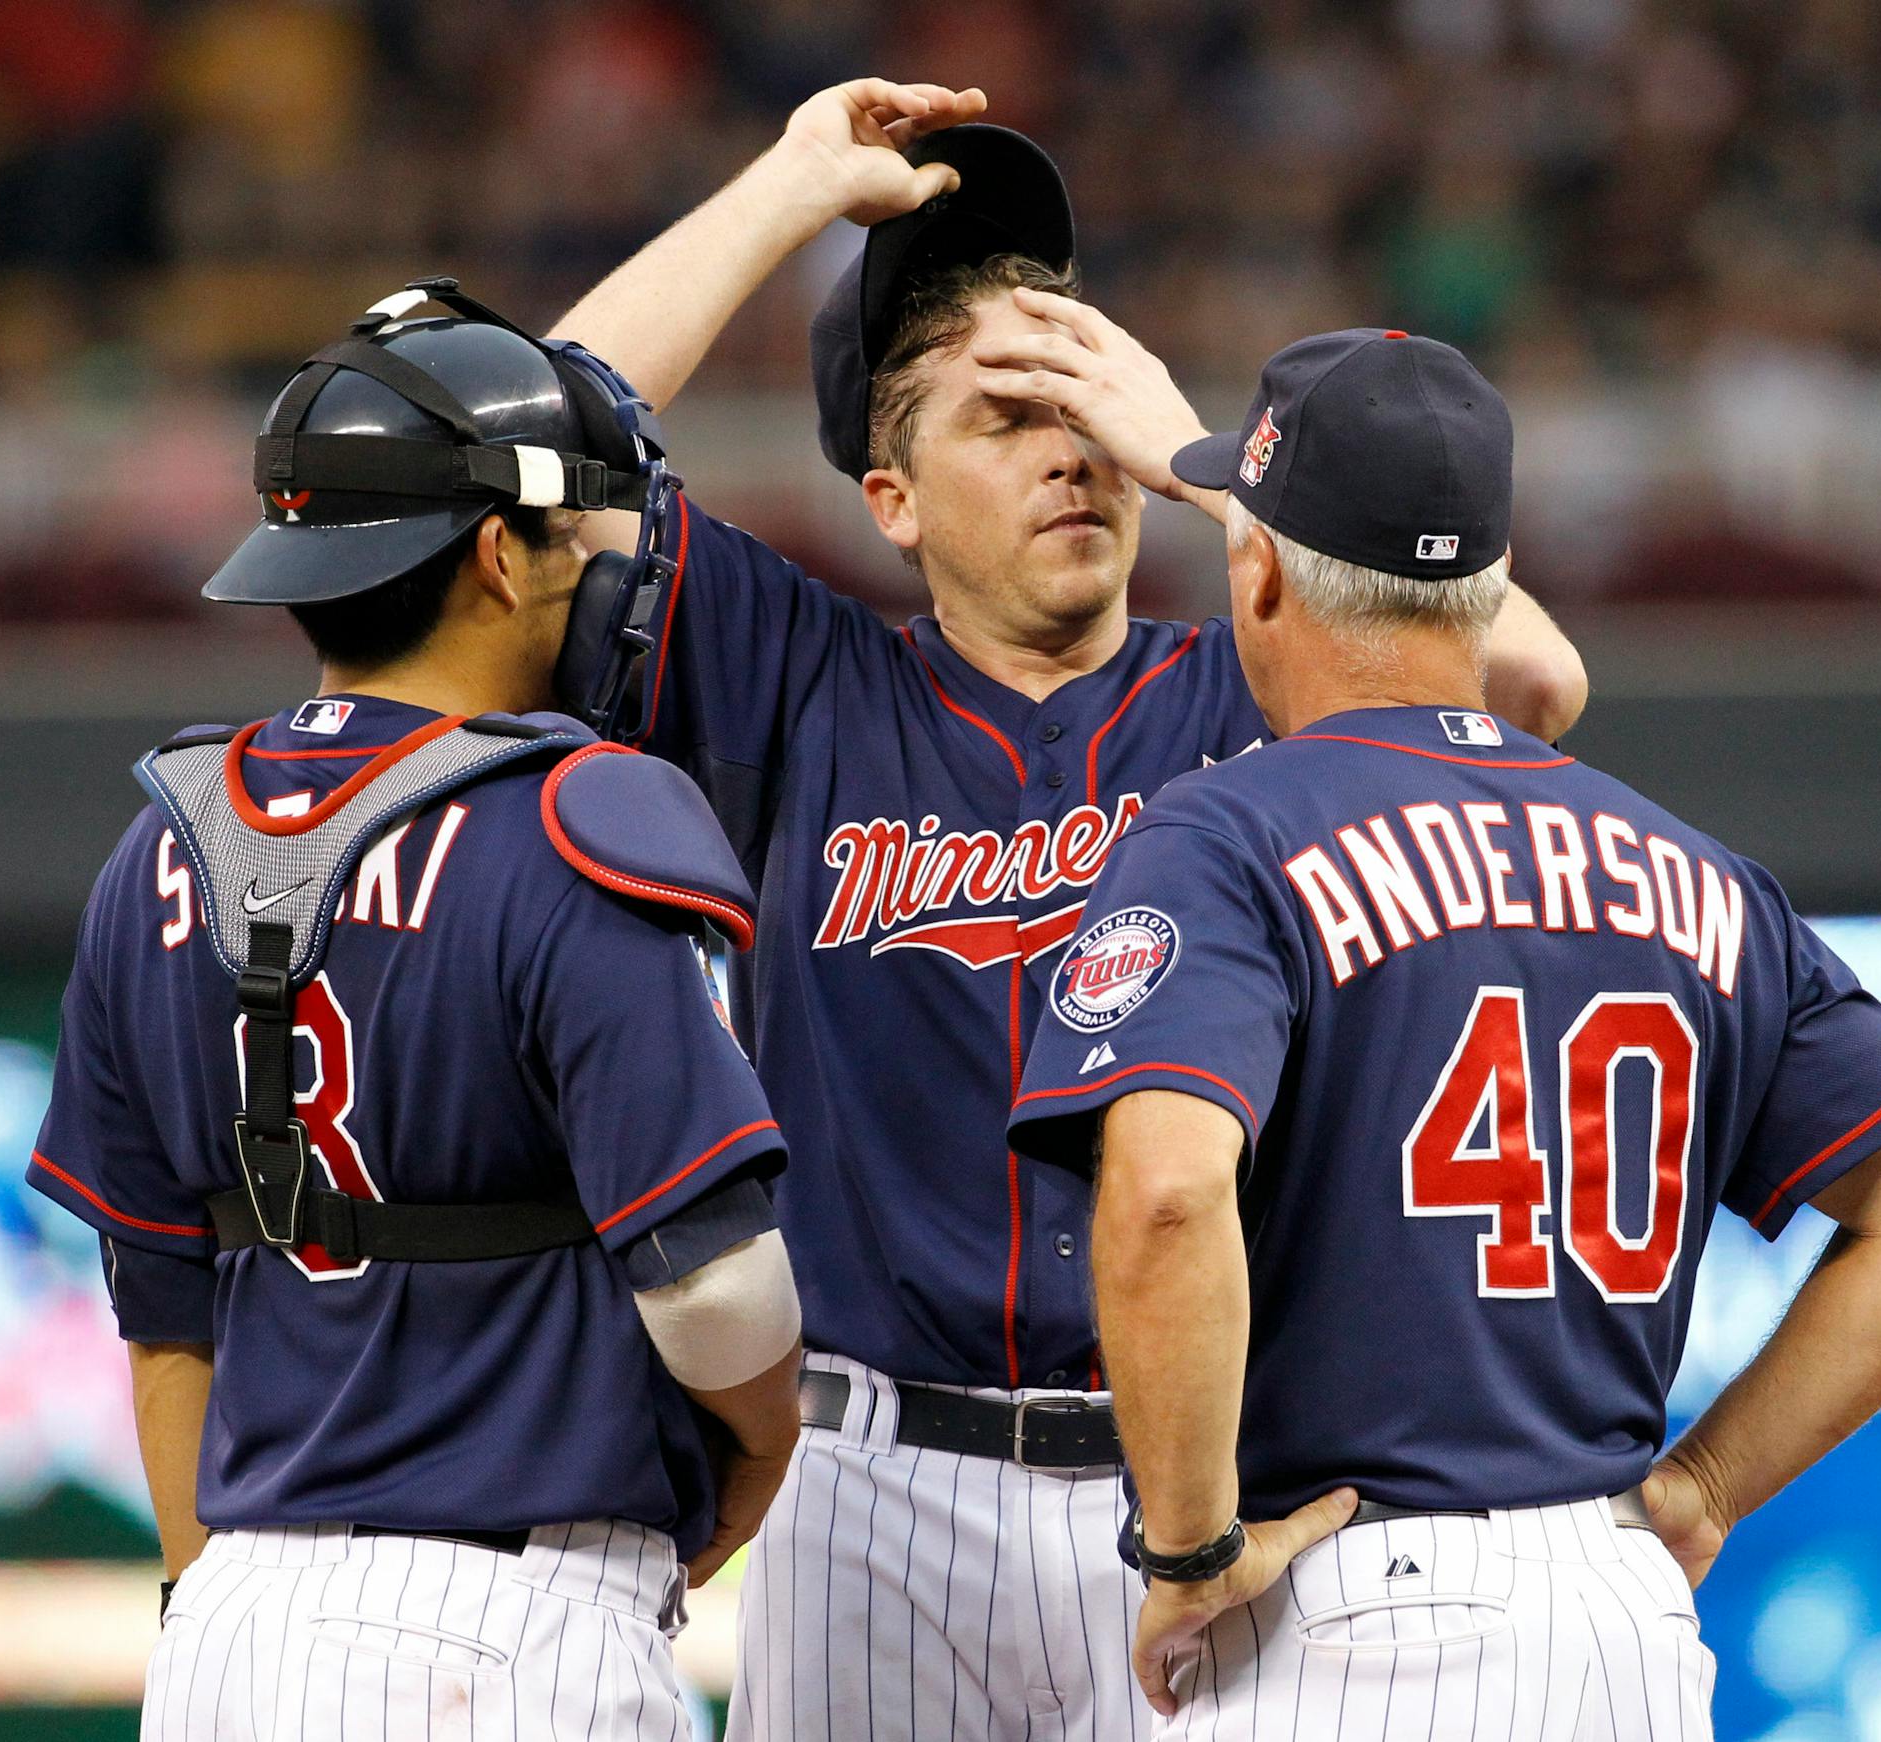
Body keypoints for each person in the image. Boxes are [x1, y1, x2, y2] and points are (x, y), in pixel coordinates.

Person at [550, 79, 1589, 1739]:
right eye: (1001, 417)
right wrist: (787, 188)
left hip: (1206, 1491)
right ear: (889, 499)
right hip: (873, 1488)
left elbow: (1528, 683)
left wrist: (1214, 465)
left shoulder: (1255, 691)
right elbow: (532, 456)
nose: (1068, 456)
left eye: (1079, 407)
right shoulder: (797, 679)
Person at [1008, 329, 1881, 1735]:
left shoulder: (1230, 830)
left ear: (1260, 570)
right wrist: (1706, 1485)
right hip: (1618, 1617)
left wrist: (1187, 1550)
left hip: (1351, 1612)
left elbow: (1169, 1196)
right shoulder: (1690, 863)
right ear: (1485, 590)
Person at [27, 284, 804, 1740]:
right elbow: (718, 1292)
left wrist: (216, 1600)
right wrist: (758, 1460)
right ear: (498, 555)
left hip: (233, 1619)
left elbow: (160, 1313)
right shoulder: (576, 819)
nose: (595, 571)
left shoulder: (161, 844)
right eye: (573, 536)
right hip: (512, 1620)